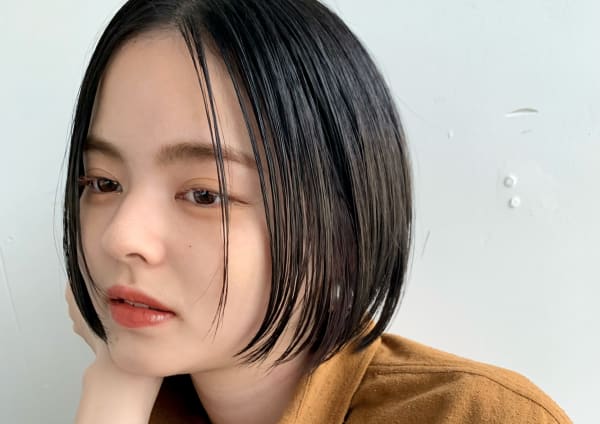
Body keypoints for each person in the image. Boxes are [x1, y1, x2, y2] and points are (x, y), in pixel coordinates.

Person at [63, 0, 572, 423]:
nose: (119, 237)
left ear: (338, 220)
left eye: (204, 195)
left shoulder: (474, 416)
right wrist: (114, 392)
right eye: (103, 183)